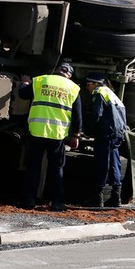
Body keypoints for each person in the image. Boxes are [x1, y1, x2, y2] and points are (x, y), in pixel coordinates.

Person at [19, 62, 81, 211]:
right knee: (56, 169)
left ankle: (29, 201)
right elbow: (77, 115)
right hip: (57, 134)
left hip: (37, 131)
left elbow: (23, 94)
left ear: (57, 70)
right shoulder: (73, 87)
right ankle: (57, 202)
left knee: (33, 166)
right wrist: (76, 135)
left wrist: (25, 82)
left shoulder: (41, 80)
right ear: (69, 75)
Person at [83, 72, 127, 207]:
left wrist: (88, 129)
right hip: (117, 133)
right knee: (115, 163)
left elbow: (97, 113)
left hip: (105, 133)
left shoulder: (99, 92)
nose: (87, 88)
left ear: (95, 84)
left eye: (88, 85)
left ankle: (98, 198)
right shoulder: (112, 94)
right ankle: (116, 197)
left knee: (102, 164)